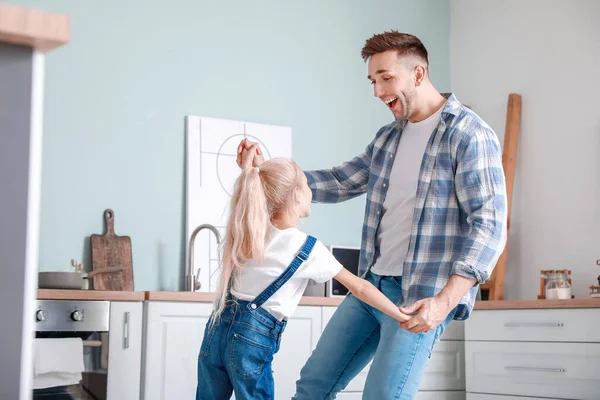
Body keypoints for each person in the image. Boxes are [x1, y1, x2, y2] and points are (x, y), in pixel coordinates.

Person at [237, 30, 507, 399]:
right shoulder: (387, 139)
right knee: (314, 385)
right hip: (371, 286)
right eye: (373, 81)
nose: (378, 92)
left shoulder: (468, 135)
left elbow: (489, 225)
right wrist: (266, 170)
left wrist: (444, 302)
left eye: (386, 78)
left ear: (418, 73)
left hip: (419, 298)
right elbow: (336, 181)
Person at [195, 154, 410, 400]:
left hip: (216, 332)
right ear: (296, 195)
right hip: (251, 341)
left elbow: (252, 195)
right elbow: (360, 288)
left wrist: (251, 171)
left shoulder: (251, 231)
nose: (311, 191)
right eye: (307, 185)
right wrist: (401, 315)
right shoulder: (306, 248)